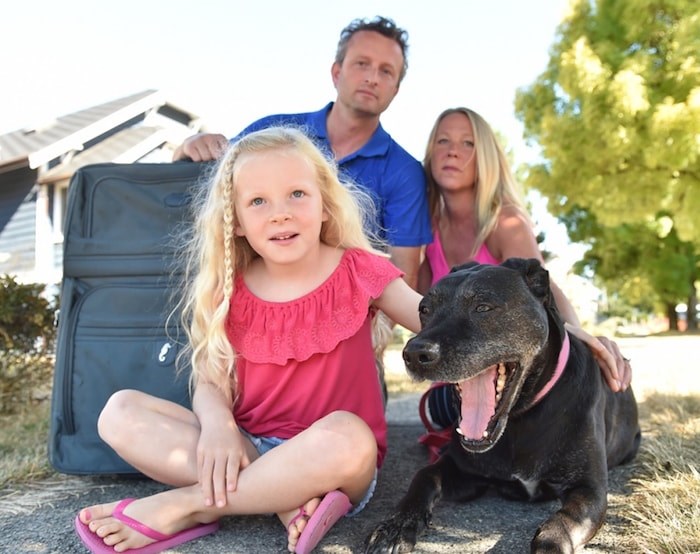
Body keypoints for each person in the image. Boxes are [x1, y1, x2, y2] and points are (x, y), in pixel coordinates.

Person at [74, 127, 423, 554]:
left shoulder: (360, 269)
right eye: (258, 201)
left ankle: (189, 505)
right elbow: (209, 382)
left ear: (325, 204)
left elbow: (435, 323)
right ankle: (282, 498)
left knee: (350, 437)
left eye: (297, 193)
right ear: (235, 220)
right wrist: (218, 426)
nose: (280, 213)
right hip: (245, 445)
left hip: (331, 459)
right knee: (118, 413)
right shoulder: (230, 289)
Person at [417, 107, 633, 456]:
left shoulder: (504, 220)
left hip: (504, 368)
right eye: (443, 140)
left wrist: (581, 337)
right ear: (430, 152)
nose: (452, 150)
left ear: (485, 157)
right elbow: (420, 302)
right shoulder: (426, 225)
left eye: (467, 143)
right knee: (436, 409)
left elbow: (543, 292)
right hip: (460, 368)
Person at [172, 16, 432, 290]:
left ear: (396, 89)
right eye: (362, 64)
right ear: (336, 72)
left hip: (351, 317)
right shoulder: (271, 133)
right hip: (259, 305)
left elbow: (403, 273)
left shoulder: (405, 173)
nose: (372, 78)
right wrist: (187, 146)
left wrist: (374, 333)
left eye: (386, 71)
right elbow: (207, 194)